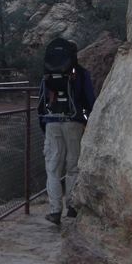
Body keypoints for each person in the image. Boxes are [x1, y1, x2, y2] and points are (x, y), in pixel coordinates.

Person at [38, 40, 95, 225]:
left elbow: (41, 102)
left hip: (52, 123)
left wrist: (44, 127)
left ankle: (55, 211)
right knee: (73, 166)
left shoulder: (48, 74)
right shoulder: (80, 73)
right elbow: (89, 101)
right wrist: (86, 121)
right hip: (74, 122)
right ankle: (72, 206)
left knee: (53, 168)